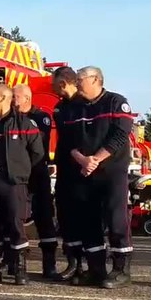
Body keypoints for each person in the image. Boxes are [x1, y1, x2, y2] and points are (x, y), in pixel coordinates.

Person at [69, 66, 137, 288]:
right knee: (88, 222)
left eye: (81, 80)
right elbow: (69, 140)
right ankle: (96, 268)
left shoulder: (116, 102)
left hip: (112, 172)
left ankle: (121, 270)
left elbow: (120, 134)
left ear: (96, 79)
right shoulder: (75, 107)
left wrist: (96, 159)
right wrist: (83, 160)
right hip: (85, 172)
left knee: (116, 219)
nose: (77, 84)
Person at [0, 84, 46, 284]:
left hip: (14, 182)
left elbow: (37, 153)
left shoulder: (24, 124)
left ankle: (19, 268)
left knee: (16, 224)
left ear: (5, 98)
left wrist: (20, 171)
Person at [13, 83, 62, 280]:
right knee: (14, 219)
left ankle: (49, 265)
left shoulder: (40, 118)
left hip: (36, 174)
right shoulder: (11, 118)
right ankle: (14, 263)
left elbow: (34, 146)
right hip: (18, 177)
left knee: (44, 219)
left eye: (14, 97)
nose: (12, 100)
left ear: (26, 98)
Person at [50, 67, 86, 282]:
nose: (53, 89)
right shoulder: (59, 108)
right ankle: (73, 262)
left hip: (82, 167)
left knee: (84, 217)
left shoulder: (84, 105)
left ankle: (87, 264)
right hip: (65, 168)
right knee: (66, 216)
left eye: (55, 84)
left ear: (63, 83)